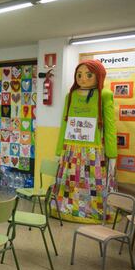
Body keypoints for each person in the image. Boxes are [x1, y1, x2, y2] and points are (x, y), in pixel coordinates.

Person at [53, 59, 117, 223]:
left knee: (93, 183)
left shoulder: (104, 95)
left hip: (93, 150)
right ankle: (67, 208)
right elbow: (64, 123)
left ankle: (93, 211)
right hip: (72, 149)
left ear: (98, 75)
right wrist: (59, 150)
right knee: (70, 182)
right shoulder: (71, 95)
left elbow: (110, 126)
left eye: (89, 74)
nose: (83, 78)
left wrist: (112, 154)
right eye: (79, 74)